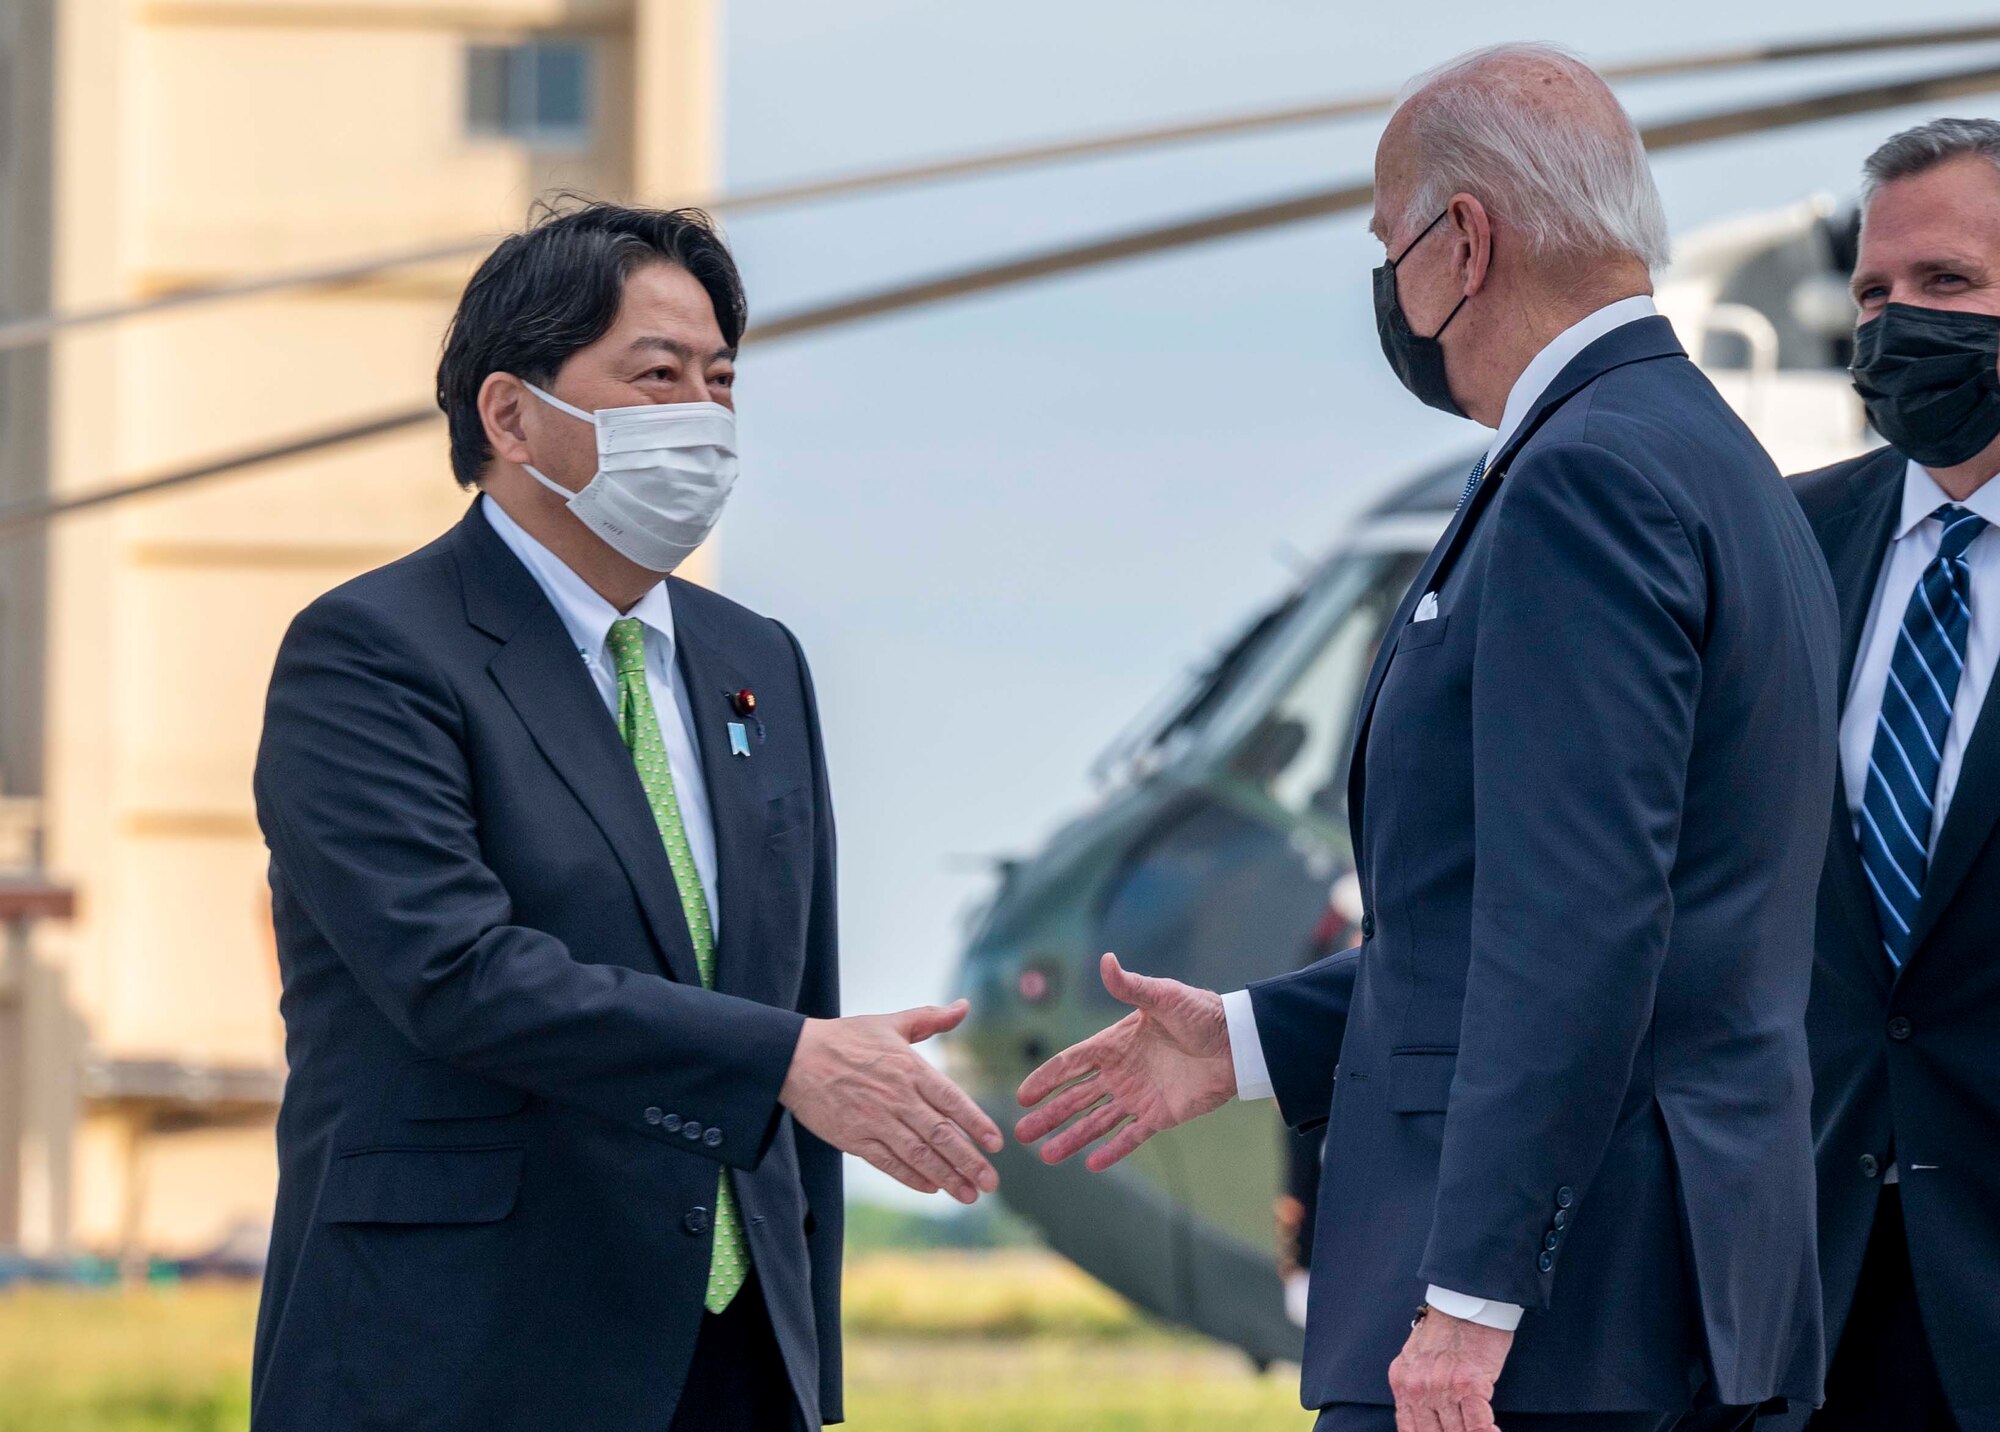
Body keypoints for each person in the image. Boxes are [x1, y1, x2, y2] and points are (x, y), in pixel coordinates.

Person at [1016, 44, 1839, 1432]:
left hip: (1558, 1341)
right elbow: (1631, 915)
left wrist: (1472, 1298)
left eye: (1389, 246)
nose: (1389, 290)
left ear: (1464, 242)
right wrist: (1248, 1038)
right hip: (1684, 1300)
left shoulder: (1582, 478)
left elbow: (1575, 924)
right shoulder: (1720, 469)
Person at [248, 202, 1003, 1432]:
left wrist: (807, 1372)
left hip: (736, 1360)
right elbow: (456, 972)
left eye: (720, 382)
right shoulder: (373, 652)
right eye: (655, 377)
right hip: (466, 1350)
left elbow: (790, 997)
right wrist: (788, 1062)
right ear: (509, 414)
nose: (701, 416)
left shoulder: (755, 660)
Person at [1781, 118, 2000, 1432]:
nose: (1897, 323)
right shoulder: (1780, 547)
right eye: (1874, 292)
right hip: (1809, 1304)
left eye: (1949, 286)